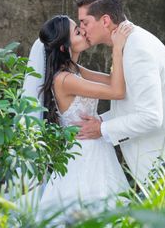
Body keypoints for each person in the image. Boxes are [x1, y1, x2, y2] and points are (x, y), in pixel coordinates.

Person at [75, 0, 165, 182]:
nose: (82, 29)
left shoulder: (137, 49)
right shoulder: (131, 42)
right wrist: (100, 122)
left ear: (105, 20)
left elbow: (151, 116)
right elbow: (134, 102)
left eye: (84, 22)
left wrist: (102, 129)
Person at [34, 14, 132, 214]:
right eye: (78, 32)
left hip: (97, 147)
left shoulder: (75, 70)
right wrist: (116, 49)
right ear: (64, 46)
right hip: (82, 154)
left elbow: (113, 80)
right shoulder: (64, 79)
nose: (84, 32)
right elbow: (117, 91)